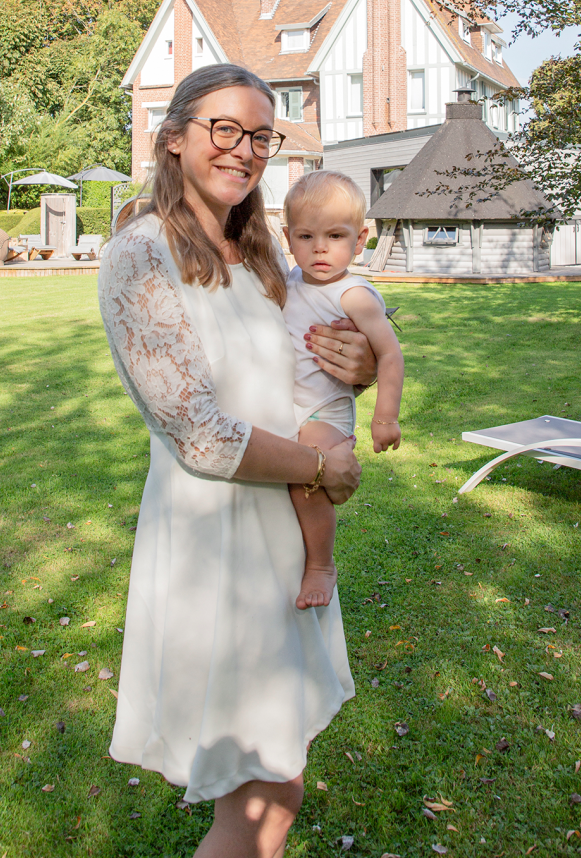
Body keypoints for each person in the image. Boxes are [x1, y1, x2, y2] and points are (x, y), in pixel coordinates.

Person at [98, 63, 377, 858]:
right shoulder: (139, 255)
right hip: (215, 542)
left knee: (279, 785)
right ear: (173, 138)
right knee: (262, 800)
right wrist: (323, 471)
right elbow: (200, 433)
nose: (244, 148)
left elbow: (301, 369)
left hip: (278, 533)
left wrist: (356, 364)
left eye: (260, 135)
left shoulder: (257, 256)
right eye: (224, 128)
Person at [282, 170, 405, 611]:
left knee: (306, 477)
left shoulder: (354, 295)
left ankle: (320, 564)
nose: (320, 248)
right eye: (306, 236)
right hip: (290, 405)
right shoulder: (289, 281)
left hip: (325, 411)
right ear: (288, 238)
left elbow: (390, 355)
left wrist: (384, 417)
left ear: (360, 240)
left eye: (335, 236)